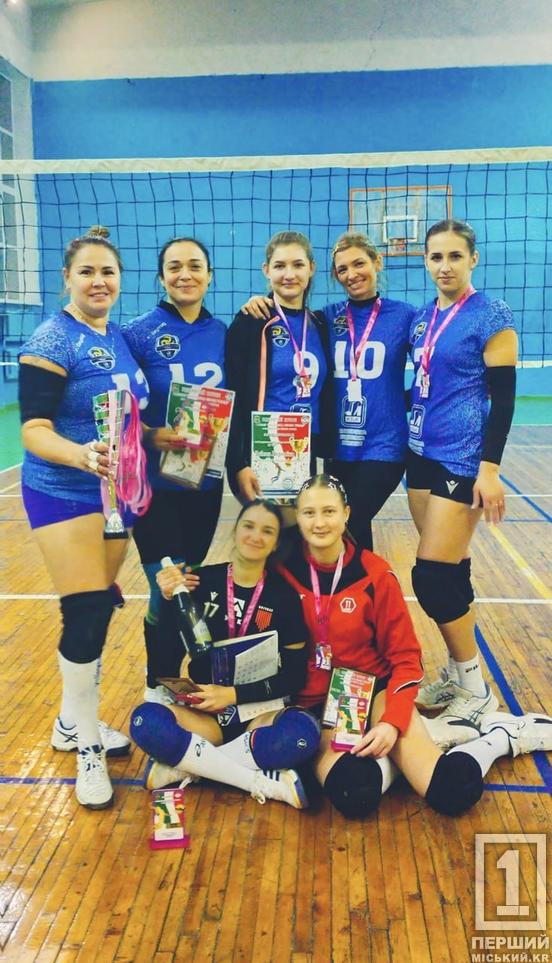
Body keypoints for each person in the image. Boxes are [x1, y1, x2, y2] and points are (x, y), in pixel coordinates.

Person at [277, 474, 552, 819]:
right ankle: (422, 739)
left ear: (346, 513)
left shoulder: (376, 575)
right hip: (317, 704)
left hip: (374, 691)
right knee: (354, 792)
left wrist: (391, 722)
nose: (319, 522)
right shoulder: (281, 571)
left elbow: (406, 658)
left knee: (452, 791)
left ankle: (500, 737)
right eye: (309, 513)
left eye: (329, 511)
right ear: (297, 516)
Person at [18, 226, 150, 810]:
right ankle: (87, 747)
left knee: (98, 607)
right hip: (63, 490)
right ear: (67, 279)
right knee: (86, 612)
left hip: (116, 495)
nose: (99, 282)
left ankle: (70, 723)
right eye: (87, 272)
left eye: (108, 272)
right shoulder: (52, 338)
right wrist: (80, 456)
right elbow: (33, 430)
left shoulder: (117, 335)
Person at [129, 499, 320, 808]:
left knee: (303, 734)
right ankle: (256, 779)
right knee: (145, 721)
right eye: (248, 526)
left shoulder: (284, 597)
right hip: (207, 716)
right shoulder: (200, 582)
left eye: (267, 531)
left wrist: (232, 695)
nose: (255, 536)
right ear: (235, 530)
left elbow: (294, 676)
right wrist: (165, 599)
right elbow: (163, 662)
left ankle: (193, 764)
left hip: (258, 713)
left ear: (275, 544)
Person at [406, 219, 518, 742]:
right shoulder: (422, 317)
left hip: (462, 459)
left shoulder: (491, 314)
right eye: (436, 256)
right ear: (426, 261)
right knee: (451, 571)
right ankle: (457, 675)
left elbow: (504, 401)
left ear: (473, 258)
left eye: (454, 256)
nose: (444, 265)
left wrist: (489, 469)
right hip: (420, 454)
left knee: (430, 577)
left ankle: (475, 687)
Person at [240, 232, 416, 549]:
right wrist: (258, 301)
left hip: (383, 446)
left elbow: (433, 365)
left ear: (377, 262)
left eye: (359, 264)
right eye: (343, 269)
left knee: (341, 527)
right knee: (352, 539)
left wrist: (401, 401)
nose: (352, 274)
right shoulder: (325, 318)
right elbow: (288, 320)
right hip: (337, 449)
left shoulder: (404, 316)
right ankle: (359, 582)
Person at [120, 237, 227, 703]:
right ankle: (157, 683)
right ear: (161, 277)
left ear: (210, 275)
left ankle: (178, 678)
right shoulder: (137, 333)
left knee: (188, 582)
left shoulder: (224, 332)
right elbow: (116, 402)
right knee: (169, 586)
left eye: (195, 266)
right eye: (175, 267)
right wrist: (149, 433)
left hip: (205, 482)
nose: (186, 275)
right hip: (154, 485)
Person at [225, 231, 334, 504]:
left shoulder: (319, 324)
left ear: (311, 268)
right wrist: (238, 462)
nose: (289, 274)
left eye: (298, 265)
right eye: (279, 266)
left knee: (299, 527)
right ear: (266, 270)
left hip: (304, 447)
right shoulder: (250, 321)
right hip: (263, 448)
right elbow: (233, 395)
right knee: (270, 528)